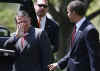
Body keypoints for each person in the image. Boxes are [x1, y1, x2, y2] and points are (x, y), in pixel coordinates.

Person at [48, 1, 100, 71]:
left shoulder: (90, 30)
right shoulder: (77, 27)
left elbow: (94, 56)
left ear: (74, 13)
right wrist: (59, 64)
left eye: (68, 12)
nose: (67, 14)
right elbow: (72, 52)